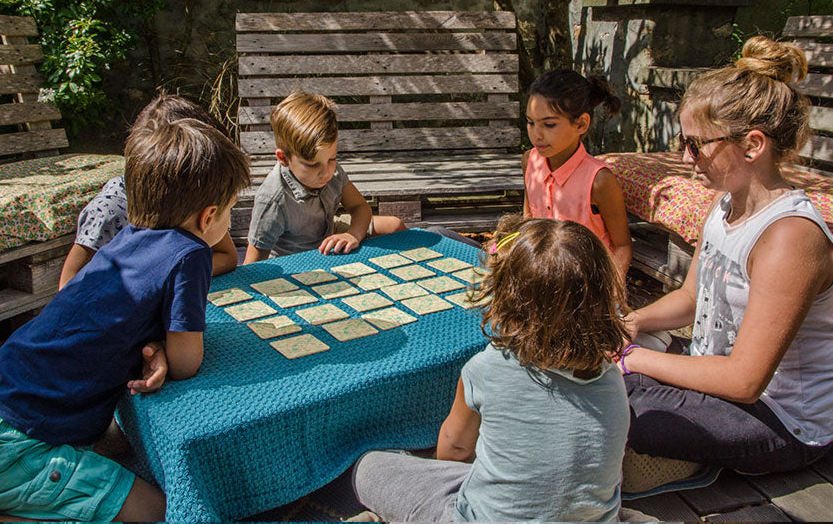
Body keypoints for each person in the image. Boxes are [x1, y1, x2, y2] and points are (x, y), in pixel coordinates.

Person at [0, 114, 251, 521]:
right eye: (230, 210)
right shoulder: (191, 253)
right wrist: (170, 352)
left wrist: (155, 349)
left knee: (119, 444)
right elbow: (188, 364)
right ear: (208, 217)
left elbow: (115, 323)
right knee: (161, 512)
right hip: (5, 447)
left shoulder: (128, 237)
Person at [619, 36, 833, 493]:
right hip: (722, 381)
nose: (685, 157)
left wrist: (629, 358)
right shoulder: (726, 205)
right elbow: (692, 298)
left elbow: (745, 380)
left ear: (752, 145)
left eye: (696, 144)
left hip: (786, 421)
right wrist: (631, 322)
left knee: (616, 399)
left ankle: (680, 460)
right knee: (591, 375)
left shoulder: (789, 238)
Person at [351, 216, 630, 522]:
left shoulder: (489, 367)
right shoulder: (612, 378)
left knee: (368, 467)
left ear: (508, 297)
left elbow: (454, 451)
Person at [58, 93, 241, 289]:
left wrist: (175, 275)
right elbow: (69, 287)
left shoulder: (195, 198)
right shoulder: (110, 210)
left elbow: (227, 256)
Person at [244, 91, 405, 262]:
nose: (327, 172)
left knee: (394, 225)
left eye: (332, 159)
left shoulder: (331, 171)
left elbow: (359, 207)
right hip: (298, 258)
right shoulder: (272, 200)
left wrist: (353, 235)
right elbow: (252, 265)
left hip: (330, 232)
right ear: (284, 158)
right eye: (313, 165)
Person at [523, 71, 632, 280]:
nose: (536, 134)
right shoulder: (530, 161)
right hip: (541, 279)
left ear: (581, 124)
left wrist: (610, 294)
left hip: (588, 285)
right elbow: (527, 221)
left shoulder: (599, 181)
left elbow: (622, 246)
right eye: (530, 122)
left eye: (549, 124)